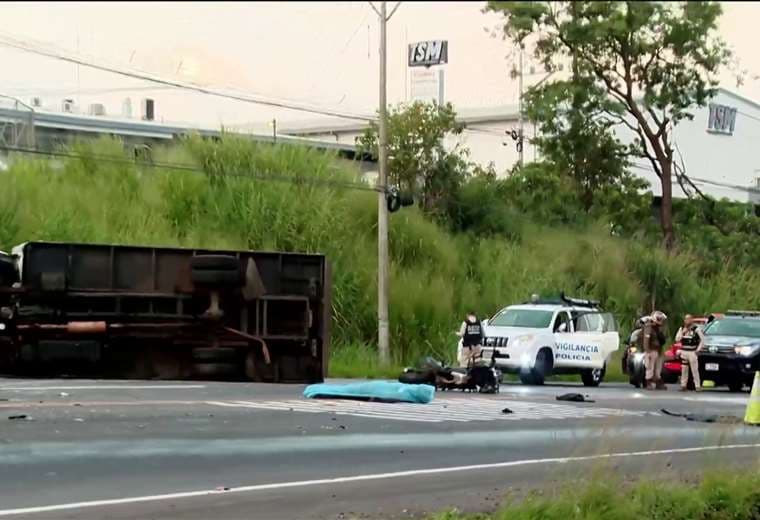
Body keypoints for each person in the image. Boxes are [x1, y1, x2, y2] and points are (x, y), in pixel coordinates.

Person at [675, 314, 705, 392]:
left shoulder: (696, 329)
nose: (687, 321)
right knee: (684, 369)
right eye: (685, 319)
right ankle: (683, 385)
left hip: (692, 352)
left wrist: (698, 350)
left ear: (692, 320)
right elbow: (677, 339)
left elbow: (702, 340)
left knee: (694, 370)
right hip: (684, 351)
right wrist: (682, 333)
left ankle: (697, 386)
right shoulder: (682, 328)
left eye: (688, 319)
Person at [641, 310, 668, 390]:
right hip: (651, 350)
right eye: (660, 319)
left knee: (658, 368)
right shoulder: (649, 327)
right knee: (650, 367)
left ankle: (657, 381)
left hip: (658, 350)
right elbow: (646, 340)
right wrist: (647, 350)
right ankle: (649, 382)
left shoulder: (658, 328)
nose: (662, 321)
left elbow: (662, 339)